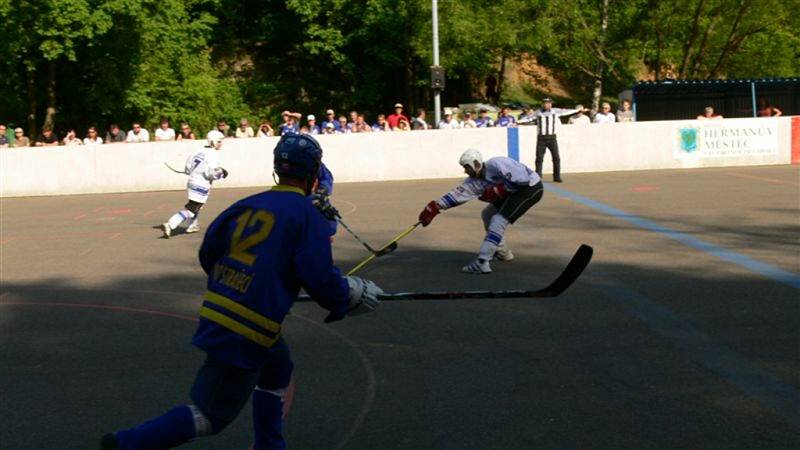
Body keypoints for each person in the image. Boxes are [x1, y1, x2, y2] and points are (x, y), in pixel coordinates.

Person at [102, 134, 383, 450]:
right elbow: (319, 279)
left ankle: (269, 445)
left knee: (278, 369)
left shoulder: (246, 205)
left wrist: (242, 282)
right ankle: (126, 443)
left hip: (222, 310)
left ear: (277, 168)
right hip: (248, 327)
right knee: (210, 416)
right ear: (315, 172)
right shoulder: (308, 216)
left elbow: (209, 253)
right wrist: (348, 295)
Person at [418, 148, 543, 274]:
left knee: (498, 220)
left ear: (477, 163)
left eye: (467, 167)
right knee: (487, 214)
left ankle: (482, 262)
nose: (465, 171)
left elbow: (523, 180)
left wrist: (499, 191)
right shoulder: (473, 181)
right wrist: (435, 207)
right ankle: (502, 252)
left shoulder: (497, 163)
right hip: (514, 191)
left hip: (530, 188)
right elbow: (457, 195)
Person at [160, 131, 228, 238]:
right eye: (219, 141)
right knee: (192, 209)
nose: (221, 144)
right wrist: (222, 173)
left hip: (191, 182)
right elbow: (212, 173)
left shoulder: (198, 151)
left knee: (195, 206)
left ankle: (193, 225)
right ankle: (171, 224)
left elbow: (188, 168)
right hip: (201, 185)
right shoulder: (214, 155)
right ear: (212, 141)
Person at [532, 97, 579, 183]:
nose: (547, 104)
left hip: (552, 138)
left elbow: (566, 111)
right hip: (541, 138)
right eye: (546, 103)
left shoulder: (555, 111)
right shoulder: (538, 112)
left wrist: (577, 110)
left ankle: (557, 176)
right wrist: (517, 122)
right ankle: (538, 176)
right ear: (543, 104)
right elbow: (528, 118)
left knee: (556, 157)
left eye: (549, 103)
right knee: (539, 158)